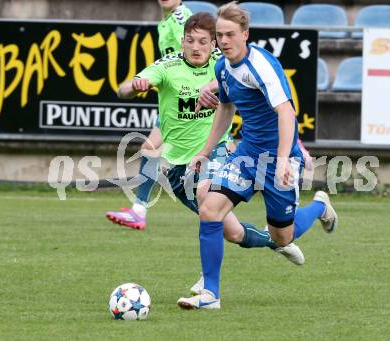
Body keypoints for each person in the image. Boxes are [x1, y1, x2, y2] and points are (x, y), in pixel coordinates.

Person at [115, 11, 307, 296]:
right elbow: (123, 89)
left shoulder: (225, 64)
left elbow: (281, 108)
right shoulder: (168, 66)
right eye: (190, 41)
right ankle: (276, 239)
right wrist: (135, 85)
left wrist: (294, 151)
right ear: (181, 42)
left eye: (204, 41)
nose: (196, 47)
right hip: (179, 166)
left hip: (221, 154)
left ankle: (209, 287)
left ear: (213, 44)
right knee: (233, 232)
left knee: (207, 197)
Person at [177, 2, 338, 310]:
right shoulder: (222, 68)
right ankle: (210, 294)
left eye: (230, 34)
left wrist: (281, 161)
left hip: (278, 156)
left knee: (282, 237)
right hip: (247, 153)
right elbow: (225, 108)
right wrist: (205, 151)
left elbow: (286, 112)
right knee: (210, 209)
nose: (224, 41)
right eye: (219, 35)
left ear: (245, 34)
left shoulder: (261, 65)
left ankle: (319, 206)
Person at [106, 0, 192, 230]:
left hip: (185, 100)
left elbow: (199, 51)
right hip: (173, 100)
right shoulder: (164, 22)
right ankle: (139, 209)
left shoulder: (181, 16)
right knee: (150, 150)